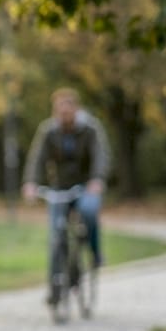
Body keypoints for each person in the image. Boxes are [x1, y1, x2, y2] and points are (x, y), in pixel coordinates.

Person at [21, 87, 111, 304]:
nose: (63, 116)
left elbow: (101, 155)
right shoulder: (49, 131)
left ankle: (95, 253)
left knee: (89, 211)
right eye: (59, 113)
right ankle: (55, 289)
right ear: (55, 112)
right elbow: (37, 158)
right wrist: (31, 183)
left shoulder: (89, 129)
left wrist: (97, 179)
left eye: (67, 112)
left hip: (85, 186)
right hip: (59, 188)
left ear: (75, 110)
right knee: (56, 236)